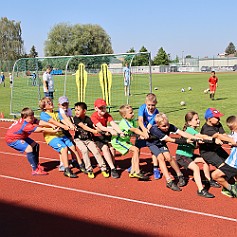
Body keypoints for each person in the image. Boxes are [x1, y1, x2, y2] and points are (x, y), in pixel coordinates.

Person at [176, 111, 221, 198]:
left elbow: (195, 145)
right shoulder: (190, 130)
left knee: (205, 160)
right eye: (196, 119)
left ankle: (209, 180)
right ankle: (200, 190)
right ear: (189, 122)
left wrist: (198, 142)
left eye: (198, 119)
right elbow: (201, 136)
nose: (198, 121)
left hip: (189, 155)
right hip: (182, 156)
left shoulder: (192, 131)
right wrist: (214, 139)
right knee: (196, 168)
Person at [148, 113, 198, 191]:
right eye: (164, 126)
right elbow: (170, 140)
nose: (167, 127)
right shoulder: (154, 130)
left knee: (169, 158)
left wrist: (194, 137)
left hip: (161, 143)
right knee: (161, 158)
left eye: (167, 124)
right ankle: (169, 181)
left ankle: (180, 175)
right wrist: (185, 141)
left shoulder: (170, 126)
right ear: (158, 126)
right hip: (152, 144)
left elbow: (182, 133)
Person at [39, 97, 86, 178]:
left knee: (73, 147)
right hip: (52, 137)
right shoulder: (44, 114)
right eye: (48, 103)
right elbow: (54, 122)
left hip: (61, 135)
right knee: (64, 149)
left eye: (50, 101)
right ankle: (67, 169)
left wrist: (71, 125)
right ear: (44, 107)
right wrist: (64, 127)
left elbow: (64, 120)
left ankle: (81, 165)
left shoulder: (57, 113)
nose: (51, 103)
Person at [5, 107, 59, 175]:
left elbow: (38, 122)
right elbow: (40, 129)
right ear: (24, 117)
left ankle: (37, 165)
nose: (33, 119)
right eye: (31, 118)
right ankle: (35, 170)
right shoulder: (25, 125)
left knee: (35, 145)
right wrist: (52, 130)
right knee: (29, 148)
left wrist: (51, 125)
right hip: (12, 139)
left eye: (33, 117)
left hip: (20, 136)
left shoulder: (28, 119)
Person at [199, 108, 237, 196]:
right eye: (216, 117)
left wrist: (230, 140)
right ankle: (228, 188)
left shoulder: (217, 124)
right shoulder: (207, 129)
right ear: (209, 119)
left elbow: (223, 134)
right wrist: (232, 141)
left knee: (229, 161)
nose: (219, 119)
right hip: (208, 152)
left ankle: (231, 183)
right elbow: (218, 135)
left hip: (217, 148)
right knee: (223, 166)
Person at [73, 102, 115, 178]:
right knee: (84, 151)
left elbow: (94, 126)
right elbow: (84, 127)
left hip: (88, 139)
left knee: (96, 151)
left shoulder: (88, 119)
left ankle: (104, 168)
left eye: (78, 110)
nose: (76, 112)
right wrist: (94, 131)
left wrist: (103, 132)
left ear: (84, 111)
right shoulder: (76, 119)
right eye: (75, 110)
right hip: (79, 139)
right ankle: (89, 169)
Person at [111, 104, 149, 180]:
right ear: (125, 116)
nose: (133, 114)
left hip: (125, 141)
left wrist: (140, 136)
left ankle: (132, 171)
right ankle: (137, 171)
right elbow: (135, 130)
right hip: (118, 141)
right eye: (131, 113)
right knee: (136, 150)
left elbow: (134, 133)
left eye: (133, 112)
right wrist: (143, 134)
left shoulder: (132, 121)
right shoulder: (125, 122)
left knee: (136, 150)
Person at [91, 98, 123, 178]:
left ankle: (111, 163)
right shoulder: (94, 116)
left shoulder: (107, 115)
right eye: (100, 108)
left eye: (104, 107)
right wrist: (110, 130)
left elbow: (113, 124)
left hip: (106, 134)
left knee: (112, 147)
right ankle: (112, 168)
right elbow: (101, 127)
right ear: (96, 108)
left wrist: (120, 132)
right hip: (98, 135)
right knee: (105, 148)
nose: (103, 109)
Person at [211, 115, 237, 198]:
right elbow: (229, 137)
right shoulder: (234, 133)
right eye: (231, 129)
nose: (232, 130)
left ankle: (231, 189)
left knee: (215, 175)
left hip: (233, 164)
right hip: (231, 162)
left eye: (233, 128)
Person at [136, 93, 160, 179]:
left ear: (156, 104)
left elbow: (150, 125)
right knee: (137, 148)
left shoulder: (156, 112)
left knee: (153, 149)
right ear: (145, 103)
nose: (150, 107)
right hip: (142, 129)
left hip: (151, 130)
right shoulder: (142, 108)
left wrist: (146, 133)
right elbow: (140, 120)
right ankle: (135, 165)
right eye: (149, 105)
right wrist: (143, 131)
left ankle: (156, 168)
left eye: (153, 105)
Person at [57, 96, 81, 171]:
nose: (65, 106)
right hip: (60, 129)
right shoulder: (60, 111)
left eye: (66, 104)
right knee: (63, 147)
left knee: (72, 145)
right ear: (59, 105)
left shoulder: (69, 109)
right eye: (63, 105)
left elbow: (71, 117)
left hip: (66, 129)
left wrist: (74, 124)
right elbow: (65, 118)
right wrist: (70, 125)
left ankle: (74, 160)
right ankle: (62, 163)